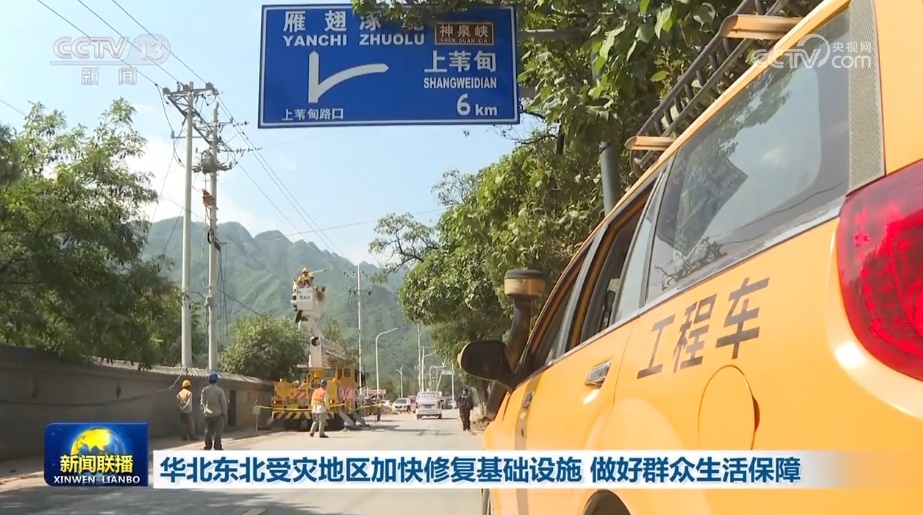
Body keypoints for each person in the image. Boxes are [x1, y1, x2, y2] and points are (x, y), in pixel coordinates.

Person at [200, 371, 228, 450]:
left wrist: (204, 411)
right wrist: (224, 412)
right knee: (217, 431)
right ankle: (217, 446)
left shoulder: (205, 390)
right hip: (218, 414)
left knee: (207, 431)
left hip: (208, 414)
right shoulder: (220, 390)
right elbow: (223, 403)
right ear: (217, 380)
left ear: (208, 380)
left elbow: (202, 402)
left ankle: (208, 446)